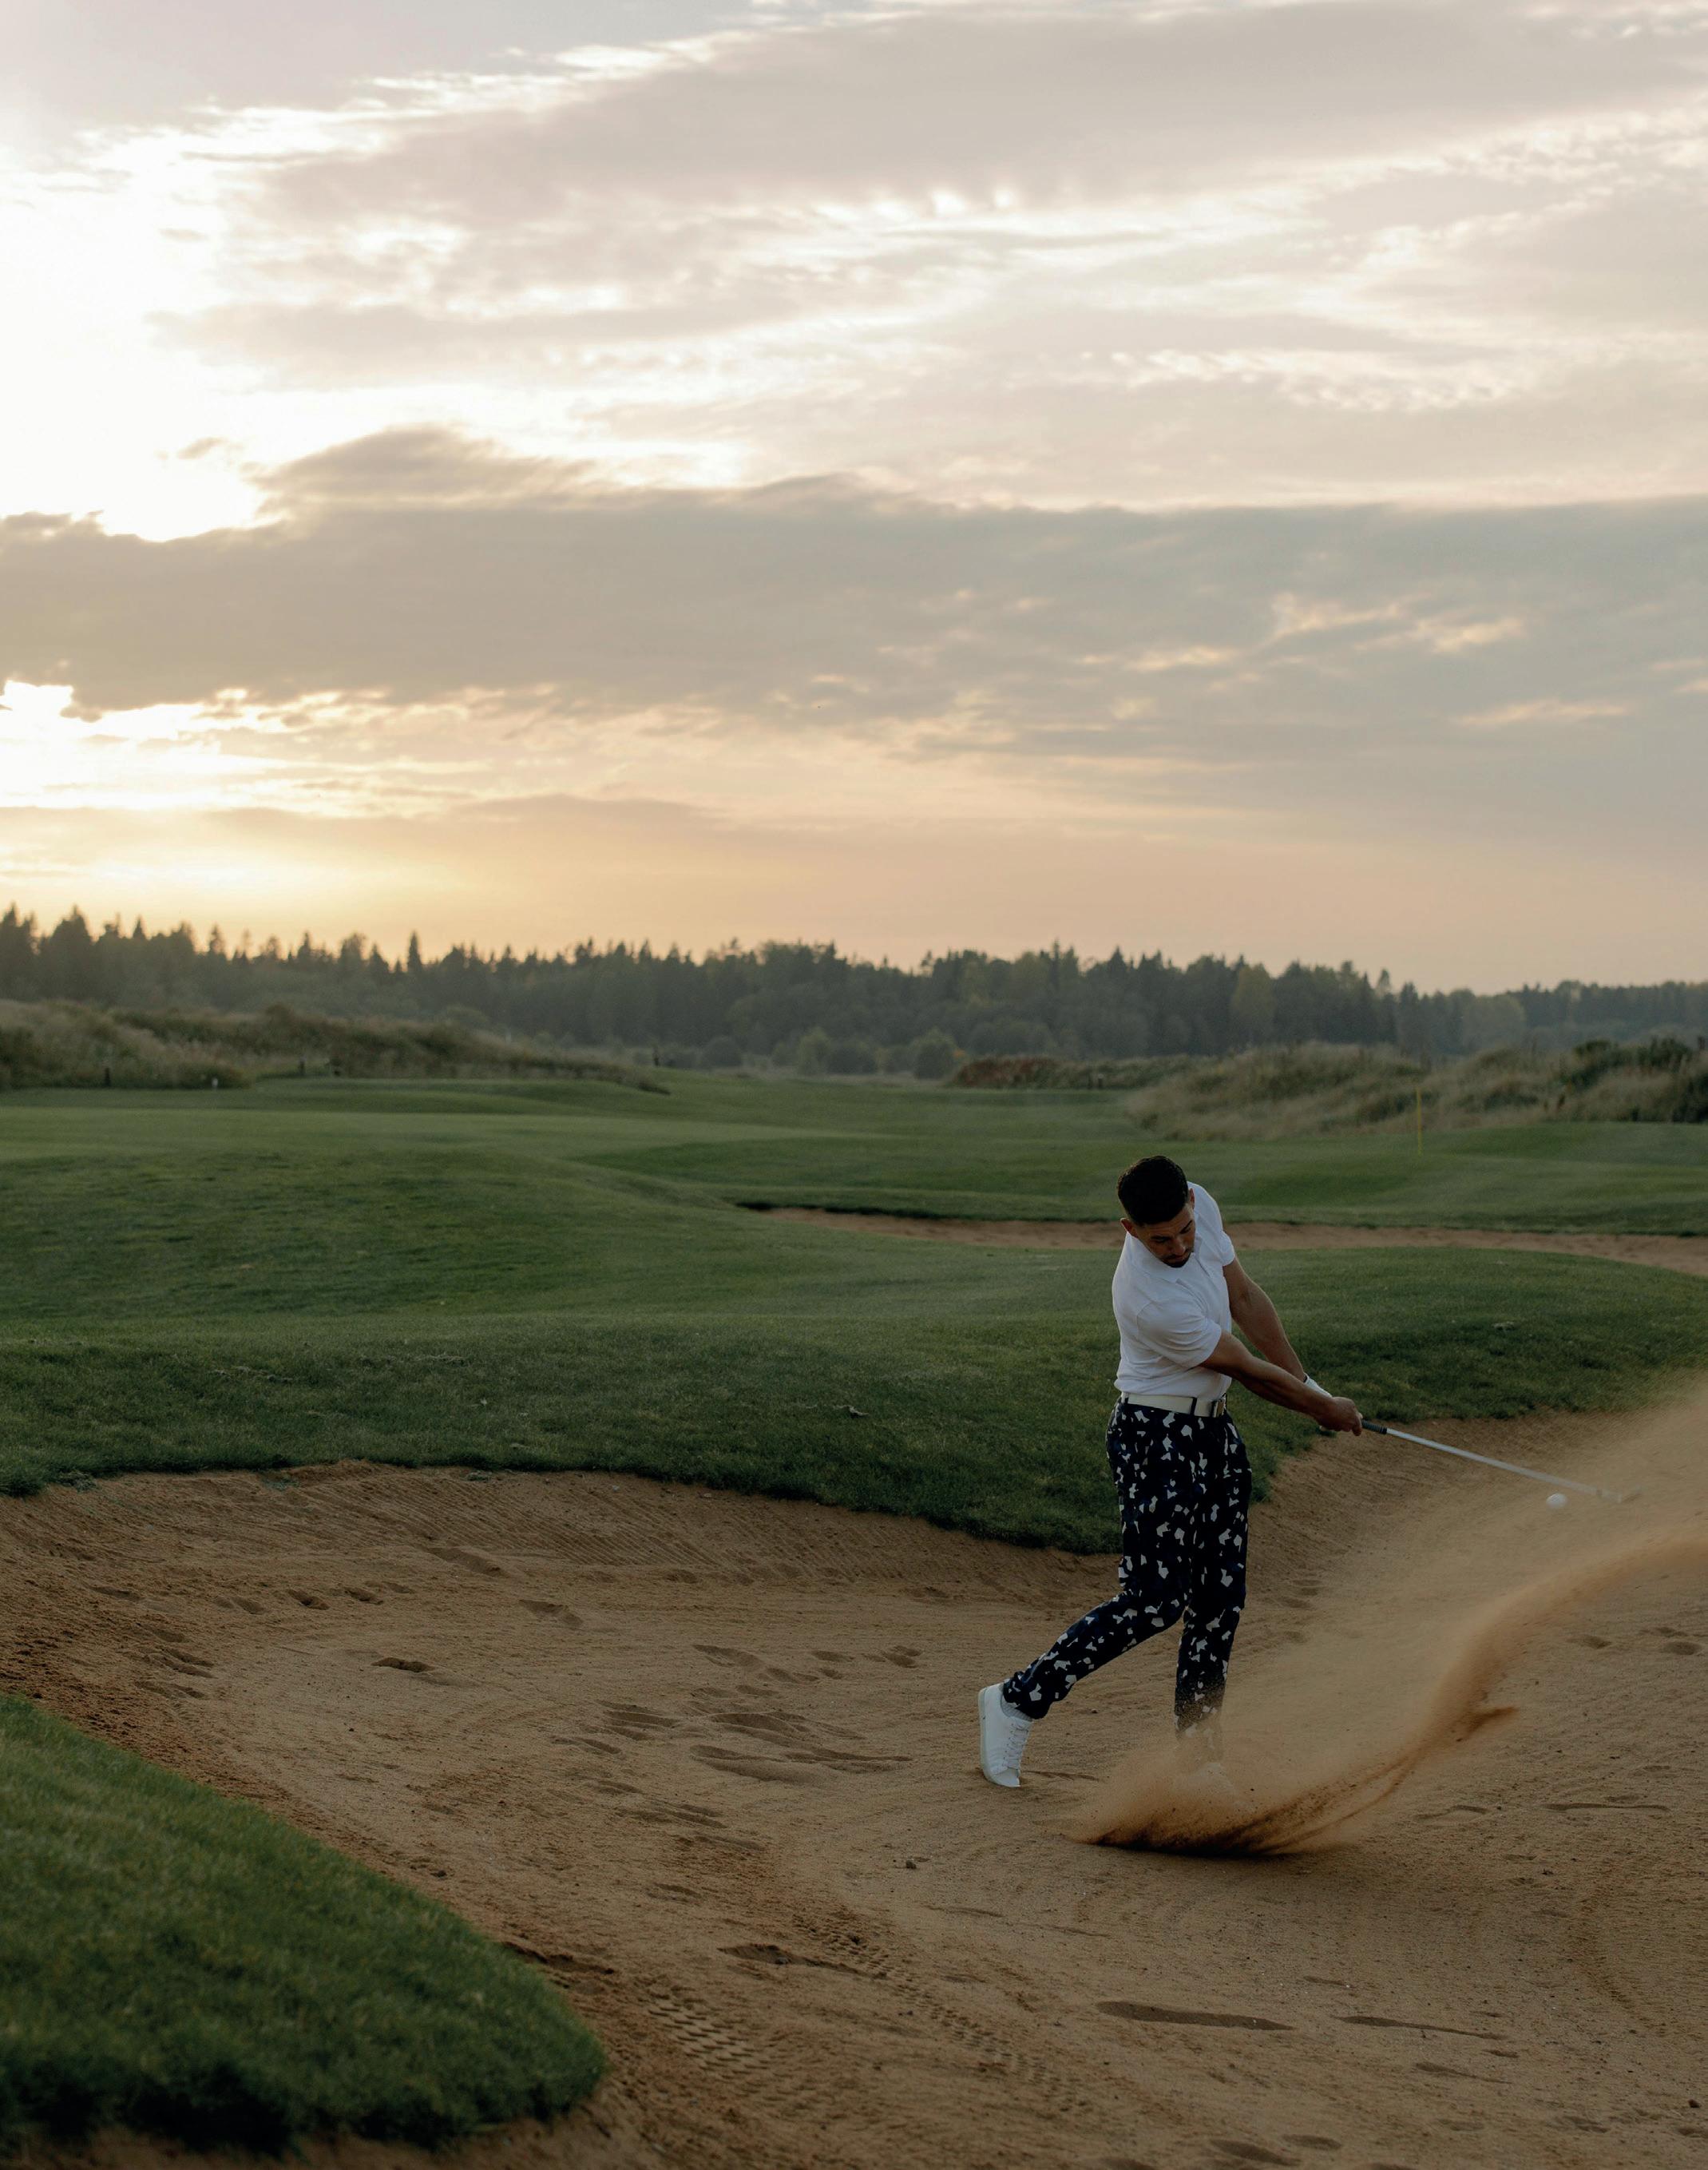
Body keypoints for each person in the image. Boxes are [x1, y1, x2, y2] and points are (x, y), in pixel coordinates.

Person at [977, 1153, 1362, 1793]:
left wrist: (1309, 1384)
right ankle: (1016, 1700)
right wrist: (1317, 1408)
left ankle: (1200, 1762)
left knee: (1219, 1601)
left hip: (1213, 1433)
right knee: (1154, 1601)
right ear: (1129, 1230)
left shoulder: (1200, 1203)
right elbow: (1243, 1366)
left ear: (1190, 1201)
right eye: (1161, 1240)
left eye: (1184, 1229)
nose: (1180, 1246)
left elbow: (1244, 1297)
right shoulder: (1146, 1298)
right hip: (1154, 1436)